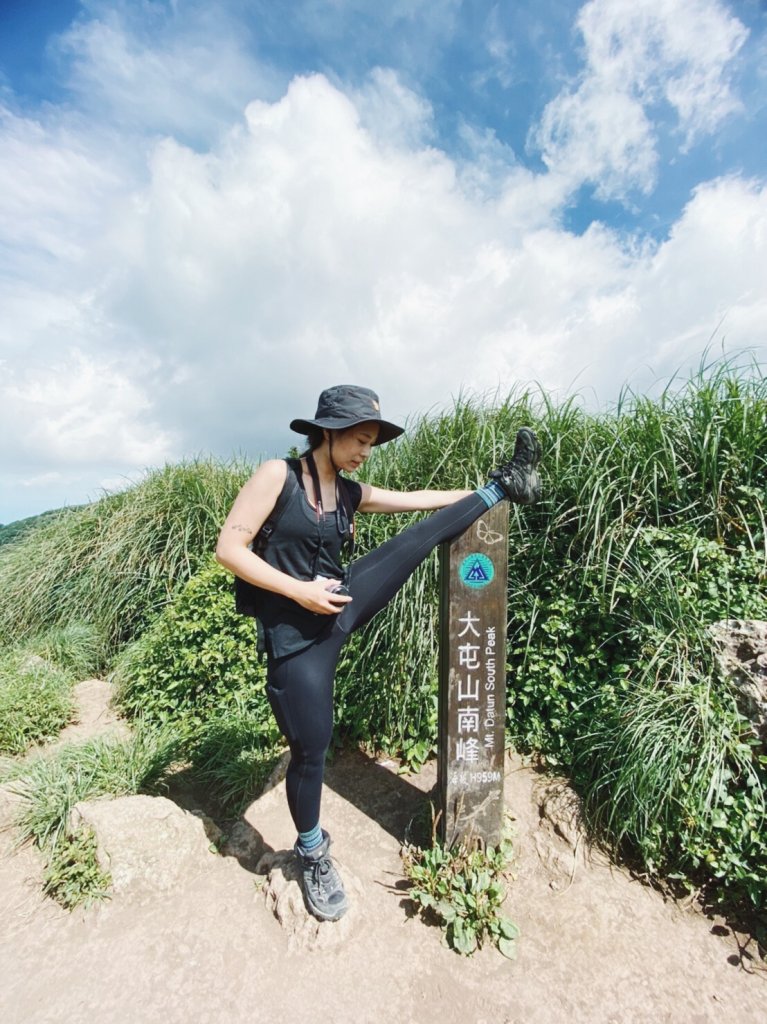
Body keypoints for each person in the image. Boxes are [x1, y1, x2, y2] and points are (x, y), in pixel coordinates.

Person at [215, 384, 541, 922]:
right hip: (298, 644)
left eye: (371, 443)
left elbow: (416, 502)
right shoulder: (278, 475)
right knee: (310, 751)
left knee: (414, 539)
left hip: (339, 608)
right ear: (328, 431)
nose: (365, 451)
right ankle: (312, 852)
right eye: (360, 440)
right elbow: (230, 549)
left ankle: (506, 483)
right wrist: (300, 591)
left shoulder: (347, 491)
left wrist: (483, 490)